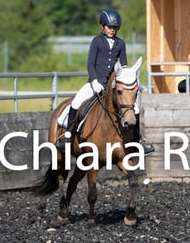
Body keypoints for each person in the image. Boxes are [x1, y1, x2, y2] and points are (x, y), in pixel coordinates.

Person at [57, 9, 155, 155]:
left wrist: (129, 76)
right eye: (110, 27)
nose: (112, 30)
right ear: (102, 26)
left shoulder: (120, 43)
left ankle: (138, 140)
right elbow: (90, 64)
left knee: (134, 109)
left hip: (113, 85)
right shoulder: (96, 41)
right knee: (76, 103)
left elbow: (123, 65)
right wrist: (94, 81)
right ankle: (68, 136)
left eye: (115, 27)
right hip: (95, 83)